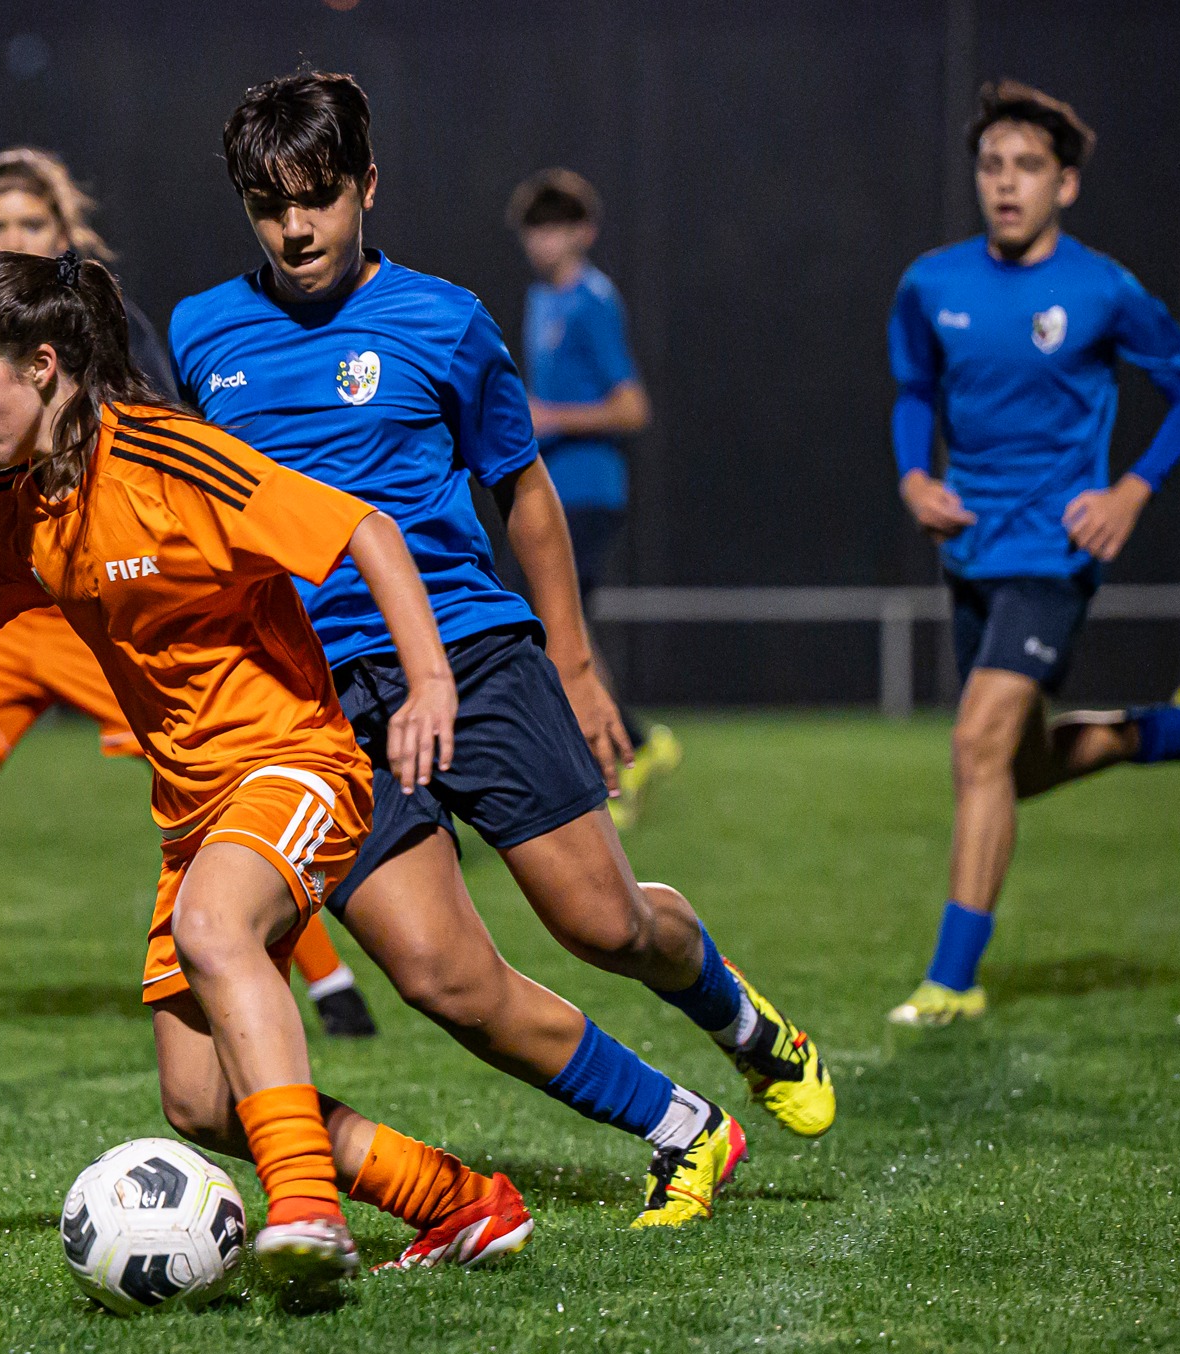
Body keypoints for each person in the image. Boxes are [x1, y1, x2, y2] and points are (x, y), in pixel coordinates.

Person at [171, 71, 834, 1228]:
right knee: (442, 978)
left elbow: (522, 493)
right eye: (268, 204)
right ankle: (684, 1130)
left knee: (601, 922)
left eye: (318, 197)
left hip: (472, 657)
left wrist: (575, 671)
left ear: (366, 187)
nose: (295, 227)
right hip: (319, 708)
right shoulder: (200, 333)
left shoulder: (444, 319)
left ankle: (743, 1024)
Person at [0, 248, 530, 1284]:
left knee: (215, 925)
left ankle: (308, 1213)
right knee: (198, 1103)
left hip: (296, 761)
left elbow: (361, 527)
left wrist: (430, 681)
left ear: (42, 365)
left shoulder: (174, 461)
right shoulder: (17, 513)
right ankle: (453, 1199)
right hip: (192, 814)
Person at [0, 148, 378, 1036]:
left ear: (63, 236)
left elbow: (170, 436)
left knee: (215, 770)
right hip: (11, 595)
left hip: (105, 602)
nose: (10, 238)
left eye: (29, 225)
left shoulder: (96, 346)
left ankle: (324, 974)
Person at [884, 81, 1180, 1027]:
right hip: (971, 549)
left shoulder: (1103, 289)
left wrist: (1131, 491)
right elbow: (914, 391)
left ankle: (951, 979)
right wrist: (912, 476)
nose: (1006, 185)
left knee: (976, 746)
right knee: (1019, 765)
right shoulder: (932, 283)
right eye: (991, 165)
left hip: (1055, 553)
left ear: (1068, 184)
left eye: (1028, 168)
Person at [507, 167, 680, 828]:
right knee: (558, 625)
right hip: (549, 492)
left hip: (589, 492)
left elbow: (632, 407)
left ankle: (625, 752)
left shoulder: (592, 301)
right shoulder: (540, 300)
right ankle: (629, 746)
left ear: (585, 231)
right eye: (534, 230)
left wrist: (550, 416)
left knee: (556, 626)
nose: (543, 242)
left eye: (555, 227)